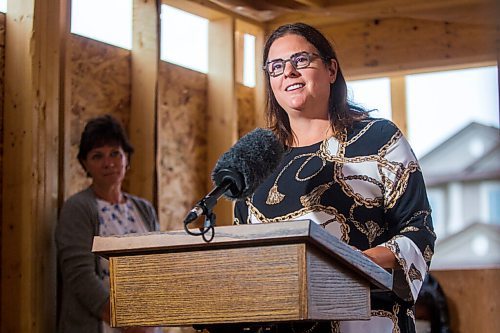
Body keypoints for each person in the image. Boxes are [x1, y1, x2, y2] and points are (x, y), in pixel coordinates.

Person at [233, 23, 436, 333]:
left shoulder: (378, 139)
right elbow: (243, 253)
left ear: (331, 69)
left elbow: (418, 231)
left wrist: (357, 259)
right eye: (276, 66)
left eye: (301, 60)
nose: (288, 72)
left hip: (366, 321)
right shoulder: (258, 158)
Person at [55, 115, 161, 333]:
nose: (108, 163)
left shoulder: (144, 209)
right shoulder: (78, 208)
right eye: (97, 156)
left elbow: (158, 267)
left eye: (115, 153)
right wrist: (126, 321)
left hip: (147, 325)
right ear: (85, 164)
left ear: (126, 158)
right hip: (101, 325)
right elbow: (80, 276)